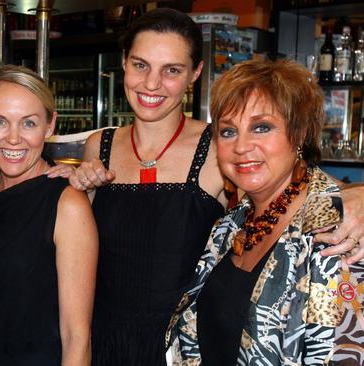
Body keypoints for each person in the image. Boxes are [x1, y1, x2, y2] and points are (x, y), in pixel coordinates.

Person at [67, 8, 364, 366]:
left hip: (169, 349)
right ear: (124, 64)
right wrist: (71, 186)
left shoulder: (220, 149)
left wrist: (361, 192)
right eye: (140, 65)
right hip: (114, 345)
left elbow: (310, 183)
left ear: (194, 74)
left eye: (172, 70)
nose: (151, 83)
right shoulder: (98, 147)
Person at [167, 58, 364, 365]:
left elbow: (347, 353)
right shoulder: (228, 227)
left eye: (261, 127)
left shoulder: (337, 227)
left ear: (298, 134)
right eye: (228, 131)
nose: (242, 146)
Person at [0, 65, 98, 365]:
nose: (14, 138)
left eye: (29, 123)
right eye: (0, 122)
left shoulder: (67, 203)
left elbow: (77, 336)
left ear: (49, 125)